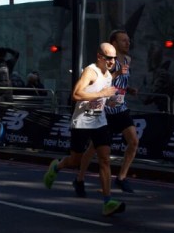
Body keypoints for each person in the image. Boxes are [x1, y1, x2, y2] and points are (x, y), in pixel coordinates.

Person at [42, 43, 126, 216]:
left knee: (105, 160)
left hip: (99, 121)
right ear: (99, 57)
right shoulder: (91, 71)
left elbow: (101, 98)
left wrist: (110, 100)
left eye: (114, 58)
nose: (112, 61)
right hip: (82, 122)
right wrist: (102, 94)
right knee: (75, 161)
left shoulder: (109, 75)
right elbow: (76, 95)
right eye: (109, 58)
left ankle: (107, 201)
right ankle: (57, 167)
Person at [74, 30, 140, 195]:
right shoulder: (108, 61)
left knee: (133, 141)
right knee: (93, 148)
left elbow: (120, 82)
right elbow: (102, 79)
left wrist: (128, 89)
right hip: (104, 109)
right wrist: (117, 74)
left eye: (128, 40)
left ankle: (122, 178)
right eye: (124, 41)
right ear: (114, 43)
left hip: (120, 108)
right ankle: (79, 179)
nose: (128, 43)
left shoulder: (128, 60)